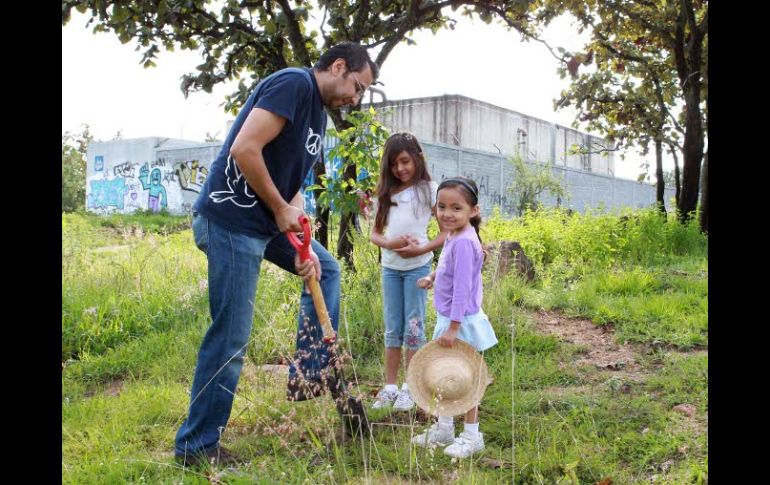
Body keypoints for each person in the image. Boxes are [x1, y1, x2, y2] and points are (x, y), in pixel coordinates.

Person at [174, 42, 379, 467]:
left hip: (265, 223)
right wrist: (281, 208)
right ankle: (197, 446)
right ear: (338, 66)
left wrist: (297, 225)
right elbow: (245, 148)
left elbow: (293, 182)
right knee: (231, 337)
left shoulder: (316, 117)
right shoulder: (293, 83)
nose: (355, 99)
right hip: (231, 220)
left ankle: (310, 372)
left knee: (326, 268)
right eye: (356, 87)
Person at [412, 177, 498, 458]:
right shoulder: (454, 235)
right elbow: (449, 267)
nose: (447, 213)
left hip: (460, 322)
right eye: (442, 206)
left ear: (473, 210)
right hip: (450, 318)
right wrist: (432, 276)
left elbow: (462, 289)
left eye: (456, 208)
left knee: (466, 379)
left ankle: (472, 436)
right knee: (446, 375)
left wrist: (454, 327)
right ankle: (445, 428)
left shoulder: (463, 242)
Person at [368, 133, 446, 411]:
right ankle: (389, 387)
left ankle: (410, 387)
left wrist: (421, 248)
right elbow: (375, 234)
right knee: (392, 327)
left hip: (417, 268)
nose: (400, 168)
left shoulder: (429, 190)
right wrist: (389, 243)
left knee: (413, 327)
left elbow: (445, 232)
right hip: (390, 269)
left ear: (417, 158)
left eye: (404, 161)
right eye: (393, 164)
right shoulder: (386, 194)